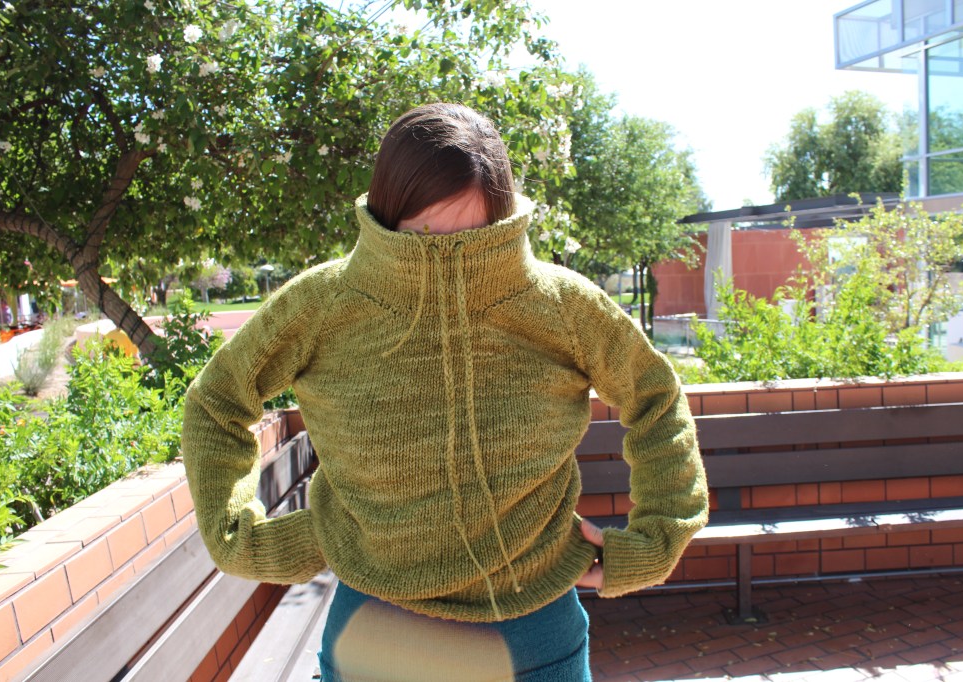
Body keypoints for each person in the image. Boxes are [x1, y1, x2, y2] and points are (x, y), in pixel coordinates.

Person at [181, 103, 709, 681]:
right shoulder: (320, 306)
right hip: (376, 642)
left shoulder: (562, 306)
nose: (447, 257)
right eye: (421, 236)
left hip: (534, 642)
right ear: (388, 213)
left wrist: (655, 544)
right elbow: (216, 403)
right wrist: (241, 539)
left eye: (475, 238)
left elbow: (656, 396)